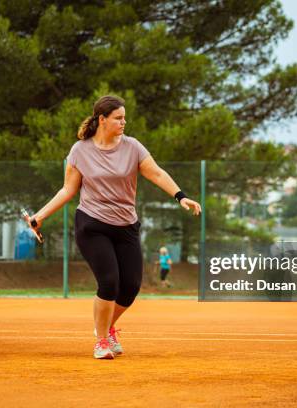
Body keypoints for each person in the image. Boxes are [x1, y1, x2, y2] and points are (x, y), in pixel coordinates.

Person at [26, 95, 201, 360]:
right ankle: (101, 340)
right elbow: (67, 190)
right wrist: (39, 217)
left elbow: (156, 173)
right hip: (92, 223)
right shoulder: (80, 150)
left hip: (126, 225)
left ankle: (106, 328)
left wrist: (181, 196)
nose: (123, 122)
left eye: (124, 118)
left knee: (130, 286)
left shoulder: (132, 147)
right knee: (109, 282)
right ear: (102, 119)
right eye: (118, 118)